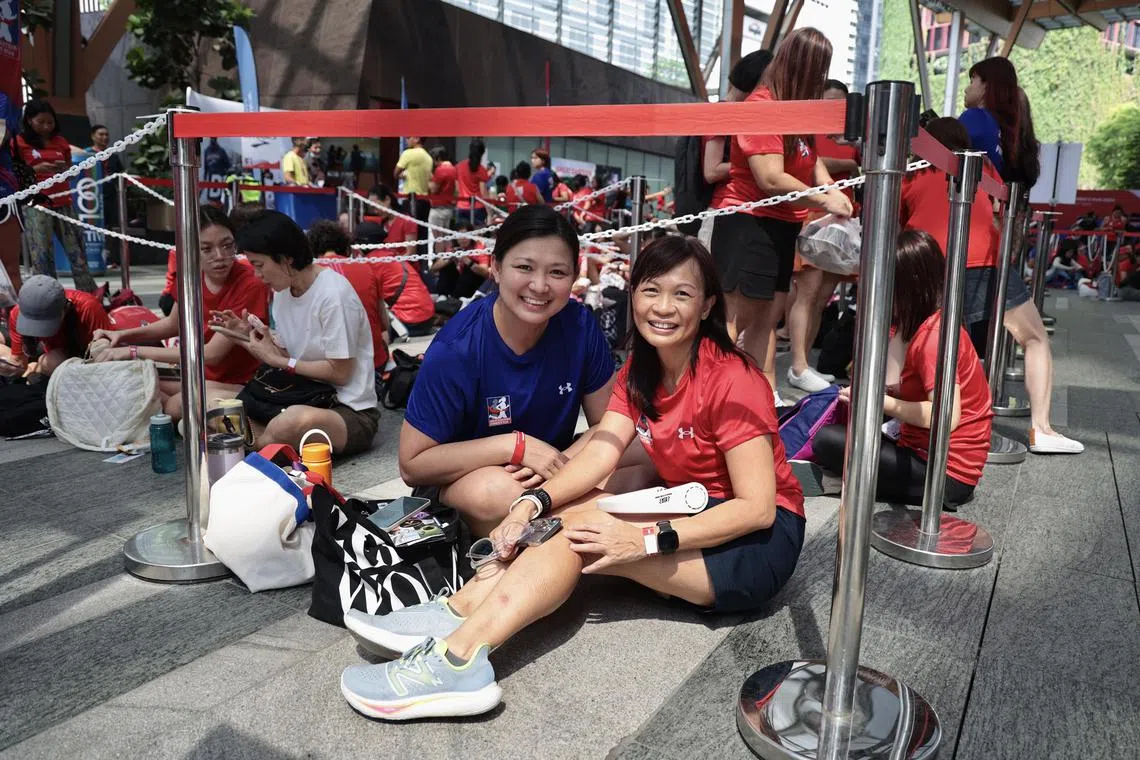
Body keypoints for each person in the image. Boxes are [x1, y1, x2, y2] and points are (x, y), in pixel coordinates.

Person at [338, 235, 806, 720]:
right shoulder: (640, 373)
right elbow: (599, 455)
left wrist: (642, 541)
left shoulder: (732, 378)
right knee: (560, 517)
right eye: (651, 290)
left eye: (682, 295)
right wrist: (532, 503)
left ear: (707, 304)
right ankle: (461, 609)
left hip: (756, 543)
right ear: (632, 294)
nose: (663, 308)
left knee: (576, 537)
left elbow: (757, 508)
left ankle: (458, 662)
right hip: (691, 506)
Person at [392, 205, 618, 537]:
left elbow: (609, 422)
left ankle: (569, 538)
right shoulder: (457, 348)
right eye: (524, 267)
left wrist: (563, 464)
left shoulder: (580, 325)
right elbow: (412, 465)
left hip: (546, 470)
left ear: (574, 276)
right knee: (498, 492)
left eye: (557, 272)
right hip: (464, 482)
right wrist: (515, 446)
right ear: (496, 268)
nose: (540, 286)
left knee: (637, 448)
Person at [905, 118, 1082, 456]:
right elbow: (1003, 214)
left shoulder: (913, 171)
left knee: (934, 350)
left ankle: (925, 421)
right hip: (984, 263)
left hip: (926, 269)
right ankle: (1041, 428)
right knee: (1034, 337)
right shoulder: (983, 164)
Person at [707, 29, 852, 400]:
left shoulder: (792, 109)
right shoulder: (764, 104)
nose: (820, 80)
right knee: (731, 319)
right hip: (748, 221)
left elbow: (810, 158)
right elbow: (769, 177)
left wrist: (830, 190)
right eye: (818, 70)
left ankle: (752, 397)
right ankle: (708, 397)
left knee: (766, 320)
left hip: (780, 224)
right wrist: (826, 199)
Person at [812, 229, 992, 507]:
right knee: (840, 433)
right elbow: (892, 380)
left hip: (945, 474)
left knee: (828, 440)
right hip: (918, 448)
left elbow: (945, 417)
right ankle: (859, 479)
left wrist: (876, 401)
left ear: (909, 286)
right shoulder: (912, 323)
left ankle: (850, 480)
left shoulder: (934, 336)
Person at [214, 210, 379, 455]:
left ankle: (247, 445)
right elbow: (289, 355)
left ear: (286, 258)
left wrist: (279, 360)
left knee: (291, 422)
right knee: (204, 397)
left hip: (347, 410)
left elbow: (340, 373)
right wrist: (246, 334)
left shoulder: (333, 295)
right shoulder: (283, 293)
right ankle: (260, 442)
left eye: (259, 265)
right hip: (300, 395)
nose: (257, 276)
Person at [91, 206, 270, 421]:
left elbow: (211, 354)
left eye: (227, 245)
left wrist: (132, 351)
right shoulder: (189, 278)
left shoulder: (251, 283)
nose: (220, 256)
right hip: (200, 375)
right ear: (190, 250)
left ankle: (184, 416)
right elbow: (172, 324)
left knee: (174, 405)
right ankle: (184, 416)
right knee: (128, 376)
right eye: (206, 249)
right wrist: (120, 335)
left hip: (242, 383)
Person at [785, 79, 857, 393]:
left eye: (840, 103)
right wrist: (850, 162)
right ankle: (798, 365)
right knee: (808, 293)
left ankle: (804, 365)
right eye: (829, 101)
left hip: (841, 221)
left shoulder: (848, 135)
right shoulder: (808, 133)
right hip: (814, 216)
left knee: (821, 298)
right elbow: (810, 166)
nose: (834, 108)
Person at [14, 99, 97, 292]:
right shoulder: (18, 142)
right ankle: (48, 296)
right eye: (40, 122)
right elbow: (13, 172)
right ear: (28, 121)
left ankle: (90, 295)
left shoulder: (60, 141)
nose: (46, 127)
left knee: (78, 251)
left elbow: (70, 168)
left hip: (63, 201)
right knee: (42, 254)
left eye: (50, 122)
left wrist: (65, 169)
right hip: (36, 204)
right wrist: (34, 169)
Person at [307, 219, 390, 372]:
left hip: (329, 368)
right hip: (373, 362)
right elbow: (383, 323)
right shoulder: (366, 268)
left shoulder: (308, 274)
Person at [356, 187, 437, 337]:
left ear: (387, 200)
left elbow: (410, 251)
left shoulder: (372, 262)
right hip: (423, 310)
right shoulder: (385, 248)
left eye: (376, 204)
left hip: (409, 318)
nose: (374, 209)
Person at [0, 275, 110, 379]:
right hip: (41, 348)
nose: (38, 330)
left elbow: (106, 357)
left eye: (43, 324)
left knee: (53, 360)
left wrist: (40, 368)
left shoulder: (88, 308)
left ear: (65, 309)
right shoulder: (18, 313)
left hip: (73, 356)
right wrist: (12, 369)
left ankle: (39, 366)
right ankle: (37, 366)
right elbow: (19, 363)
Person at [89, 125, 125, 269]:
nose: (104, 137)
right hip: (92, 199)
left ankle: (108, 258)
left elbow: (121, 177)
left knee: (110, 229)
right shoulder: (87, 155)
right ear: (93, 136)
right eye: (101, 134)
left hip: (110, 198)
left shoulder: (114, 156)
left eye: (106, 134)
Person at [431, 220, 491, 298]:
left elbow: (485, 273)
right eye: (460, 236)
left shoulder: (479, 248)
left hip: (473, 285)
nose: (463, 239)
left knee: (471, 266)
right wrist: (451, 258)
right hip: (457, 282)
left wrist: (467, 261)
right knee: (447, 266)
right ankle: (443, 296)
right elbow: (434, 268)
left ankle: (459, 298)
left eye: (466, 235)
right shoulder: (454, 248)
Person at [456, 139, 493, 226]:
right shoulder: (482, 170)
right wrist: (490, 213)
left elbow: (457, 189)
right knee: (477, 237)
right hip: (478, 208)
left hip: (461, 206)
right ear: (482, 153)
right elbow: (483, 192)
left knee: (462, 237)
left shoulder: (459, 166)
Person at [427, 146, 457, 230]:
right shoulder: (454, 169)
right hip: (449, 207)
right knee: (446, 237)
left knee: (437, 238)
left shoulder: (440, 170)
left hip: (438, 208)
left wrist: (427, 179)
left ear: (438, 158)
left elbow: (433, 189)